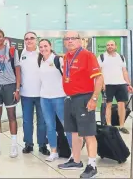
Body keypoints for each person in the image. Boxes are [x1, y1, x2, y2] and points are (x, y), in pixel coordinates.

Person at [58, 31, 103, 179]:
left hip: (84, 99)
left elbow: (99, 78)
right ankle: (76, 160)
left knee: (88, 133)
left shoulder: (87, 55)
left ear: (80, 40)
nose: (70, 41)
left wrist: (94, 99)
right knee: (74, 132)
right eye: (67, 39)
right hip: (70, 99)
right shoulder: (66, 57)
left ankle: (92, 165)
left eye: (73, 38)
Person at [0, 29, 20, 158]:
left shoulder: (12, 51)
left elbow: (18, 70)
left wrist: (17, 89)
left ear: (4, 37)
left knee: (12, 116)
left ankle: (13, 146)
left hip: (10, 86)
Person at [38, 39, 72, 162]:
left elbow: (68, 77)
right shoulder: (40, 60)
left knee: (66, 125)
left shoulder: (58, 59)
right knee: (50, 125)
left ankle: (73, 152)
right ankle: (53, 151)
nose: (43, 49)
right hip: (44, 98)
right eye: (40, 47)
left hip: (59, 97)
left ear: (50, 46)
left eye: (45, 46)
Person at [19, 32, 49, 155]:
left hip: (41, 94)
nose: (29, 40)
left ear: (36, 40)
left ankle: (42, 145)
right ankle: (28, 144)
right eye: (26, 39)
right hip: (25, 94)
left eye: (32, 38)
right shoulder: (20, 54)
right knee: (27, 121)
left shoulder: (42, 53)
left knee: (42, 121)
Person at [98, 40, 133, 134]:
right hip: (108, 85)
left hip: (121, 84)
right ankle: (109, 125)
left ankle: (121, 126)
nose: (110, 46)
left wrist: (128, 84)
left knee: (122, 106)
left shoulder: (121, 57)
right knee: (108, 105)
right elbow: (99, 72)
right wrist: (102, 84)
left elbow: (124, 71)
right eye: (108, 45)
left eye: (112, 45)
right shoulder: (101, 57)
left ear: (115, 46)